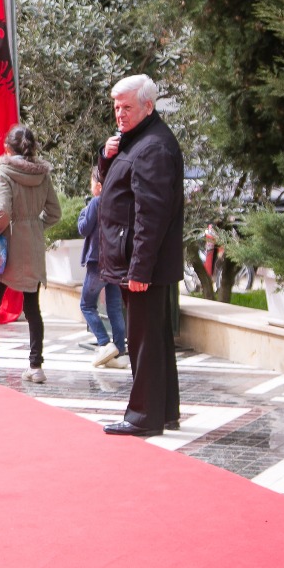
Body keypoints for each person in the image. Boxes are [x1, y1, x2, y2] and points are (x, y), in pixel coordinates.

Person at [97, 74, 185, 437]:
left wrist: (140, 269)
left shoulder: (153, 147)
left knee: (145, 343)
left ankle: (143, 416)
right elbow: (114, 188)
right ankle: (163, 412)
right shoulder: (134, 142)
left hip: (141, 264)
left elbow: (152, 215)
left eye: (127, 107)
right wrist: (106, 157)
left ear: (148, 106)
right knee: (154, 341)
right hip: (137, 261)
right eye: (116, 107)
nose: (120, 114)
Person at [0, 125, 61, 381]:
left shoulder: (5, 170)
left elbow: (2, 211)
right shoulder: (43, 173)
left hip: (9, 244)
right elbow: (55, 212)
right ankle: (36, 366)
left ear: (7, 147)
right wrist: (35, 226)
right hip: (34, 243)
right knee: (32, 306)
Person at [77, 166, 128, 369]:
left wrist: (85, 210)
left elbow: (84, 228)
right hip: (114, 261)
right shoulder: (119, 202)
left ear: (98, 186)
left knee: (87, 305)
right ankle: (119, 351)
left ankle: (104, 343)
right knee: (115, 308)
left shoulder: (97, 202)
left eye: (91, 183)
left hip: (97, 262)